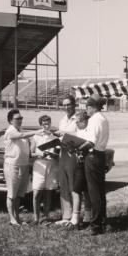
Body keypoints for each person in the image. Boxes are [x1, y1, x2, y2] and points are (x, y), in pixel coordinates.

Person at [3, 109, 42, 226]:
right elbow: (21, 136)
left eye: (21, 118)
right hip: (12, 165)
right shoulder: (10, 131)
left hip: (23, 165)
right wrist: (36, 132)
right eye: (17, 119)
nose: (20, 120)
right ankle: (12, 219)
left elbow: (29, 142)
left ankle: (17, 218)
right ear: (10, 120)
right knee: (11, 194)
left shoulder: (21, 130)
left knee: (19, 195)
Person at [82, 93, 110, 235]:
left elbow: (90, 142)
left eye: (87, 107)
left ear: (92, 107)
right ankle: (102, 222)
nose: (86, 110)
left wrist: (77, 147)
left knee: (94, 192)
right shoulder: (103, 119)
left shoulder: (94, 120)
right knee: (99, 191)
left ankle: (95, 225)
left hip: (92, 156)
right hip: (100, 155)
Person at [30, 114, 59, 225]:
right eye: (44, 123)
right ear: (41, 124)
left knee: (49, 192)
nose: (46, 125)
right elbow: (31, 153)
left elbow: (58, 153)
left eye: (48, 123)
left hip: (52, 165)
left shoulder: (54, 136)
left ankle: (46, 217)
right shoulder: (36, 136)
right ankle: (36, 218)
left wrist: (54, 155)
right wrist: (39, 154)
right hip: (39, 165)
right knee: (37, 192)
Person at [55, 95, 78, 225]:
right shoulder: (63, 119)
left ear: (74, 105)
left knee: (73, 186)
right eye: (64, 105)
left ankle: (75, 216)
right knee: (63, 186)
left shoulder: (79, 118)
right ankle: (66, 216)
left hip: (73, 154)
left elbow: (81, 135)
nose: (66, 107)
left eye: (68, 104)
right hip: (62, 154)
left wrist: (63, 133)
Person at [68, 111, 92, 229]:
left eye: (77, 121)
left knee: (77, 191)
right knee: (84, 191)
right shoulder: (79, 131)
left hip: (85, 163)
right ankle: (87, 217)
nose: (76, 124)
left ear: (83, 121)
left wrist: (77, 148)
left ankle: (76, 220)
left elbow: (89, 144)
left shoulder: (88, 131)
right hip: (79, 163)